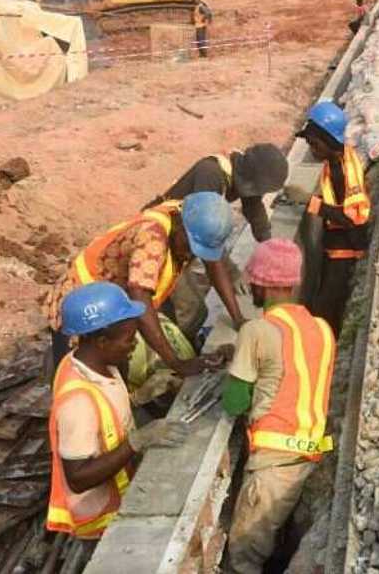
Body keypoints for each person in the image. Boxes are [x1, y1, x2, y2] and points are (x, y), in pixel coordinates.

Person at [222, 238, 338, 574]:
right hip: (311, 457)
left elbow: (234, 402)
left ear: (261, 284)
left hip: (272, 469)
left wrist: (238, 370)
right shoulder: (322, 329)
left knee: (244, 559)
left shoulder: (256, 330)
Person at [46, 282, 191, 543]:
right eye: (128, 338)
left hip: (117, 500)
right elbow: (78, 477)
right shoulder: (77, 402)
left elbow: (105, 421)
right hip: (100, 521)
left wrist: (140, 396)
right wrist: (137, 441)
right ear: (101, 341)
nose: (134, 345)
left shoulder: (95, 363)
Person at [44, 191, 242, 381]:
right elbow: (140, 296)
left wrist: (238, 319)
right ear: (181, 227)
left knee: (114, 373)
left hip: (113, 306)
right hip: (83, 305)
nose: (191, 255)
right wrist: (176, 363)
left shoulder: (188, 216)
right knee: (79, 374)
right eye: (190, 247)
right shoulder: (152, 238)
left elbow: (213, 264)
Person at [144, 144, 289, 338]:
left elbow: (254, 208)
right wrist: (237, 316)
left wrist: (269, 246)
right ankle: (174, 355)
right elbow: (210, 252)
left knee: (186, 298)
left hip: (184, 238)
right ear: (247, 181)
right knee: (192, 310)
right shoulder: (210, 175)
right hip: (162, 240)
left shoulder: (239, 170)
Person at [297, 101, 370, 335]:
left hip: (345, 252)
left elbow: (353, 219)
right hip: (337, 246)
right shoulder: (338, 158)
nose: (312, 150)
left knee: (324, 313)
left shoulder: (343, 171)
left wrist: (310, 203)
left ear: (328, 141)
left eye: (314, 144)